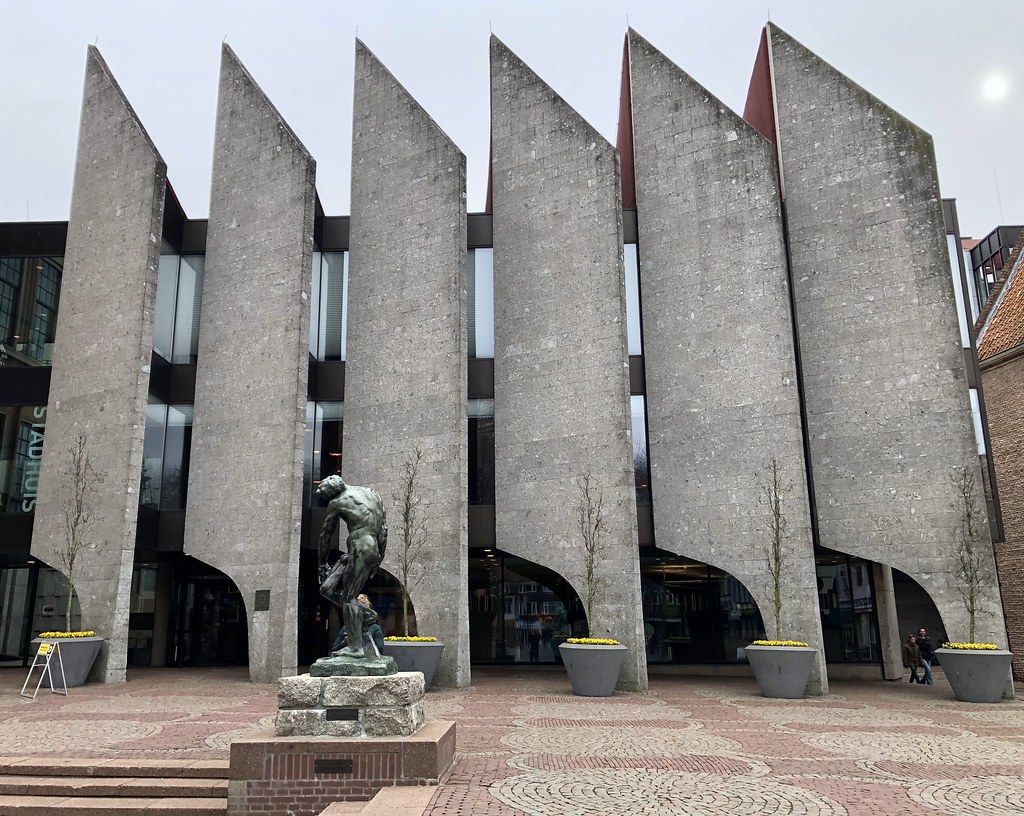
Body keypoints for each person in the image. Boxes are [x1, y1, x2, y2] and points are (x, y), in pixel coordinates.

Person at [317, 474, 387, 658]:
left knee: (348, 598)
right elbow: (383, 530)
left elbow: (325, 535)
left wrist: (322, 563)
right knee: (326, 588)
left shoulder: (336, 503)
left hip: (359, 549)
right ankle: (366, 613)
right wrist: (379, 557)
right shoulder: (373, 494)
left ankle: (355, 648)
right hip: (365, 550)